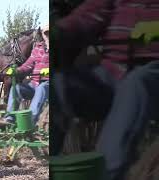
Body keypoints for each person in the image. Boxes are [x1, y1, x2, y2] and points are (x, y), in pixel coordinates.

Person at [52, 0, 159, 180]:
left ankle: (102, 173)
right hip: (112, 72)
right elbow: (86, 17)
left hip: (151, 72)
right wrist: (59, 32)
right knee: (60, 85)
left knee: (136, 85)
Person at [0, 24, 50, 129]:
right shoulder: (37, 49)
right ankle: (9, 119)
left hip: (48, 84)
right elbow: (28, 65)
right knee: (17, 88)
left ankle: (30, 120)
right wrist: (16, 70)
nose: (48, 36)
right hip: (34, 84)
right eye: (46, 33)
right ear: (43, 35)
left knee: (42, 88)